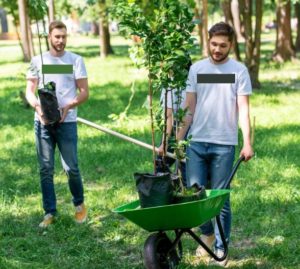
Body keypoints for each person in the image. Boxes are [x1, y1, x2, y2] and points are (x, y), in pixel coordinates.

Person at [177, 22, 254, 266]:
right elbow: (189, 107)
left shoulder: (239, 71)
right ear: (207, 41)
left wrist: (247, 142)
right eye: (213, 44)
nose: (217, 49)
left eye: (223, 45)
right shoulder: (197, 69)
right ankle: (207, 234)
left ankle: (221, 250)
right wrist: (178, 139)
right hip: (197, 142)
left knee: (220, 199)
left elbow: (243, 108)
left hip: (224, 144)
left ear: (231, 45)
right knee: (196, 193)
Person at [26, 21, 89, 228]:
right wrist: (37, 108)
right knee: (45, 169)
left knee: (71, 168)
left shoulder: (76, 60)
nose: (60, 41)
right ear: (49, 37)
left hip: (66, 122)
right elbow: (29, 90)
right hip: (43, 123)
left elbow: (84, 92)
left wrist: (69, 106)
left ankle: (79, 206)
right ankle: (49, 212)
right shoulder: (38, 60)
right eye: (57, 37)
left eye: (63, 37)